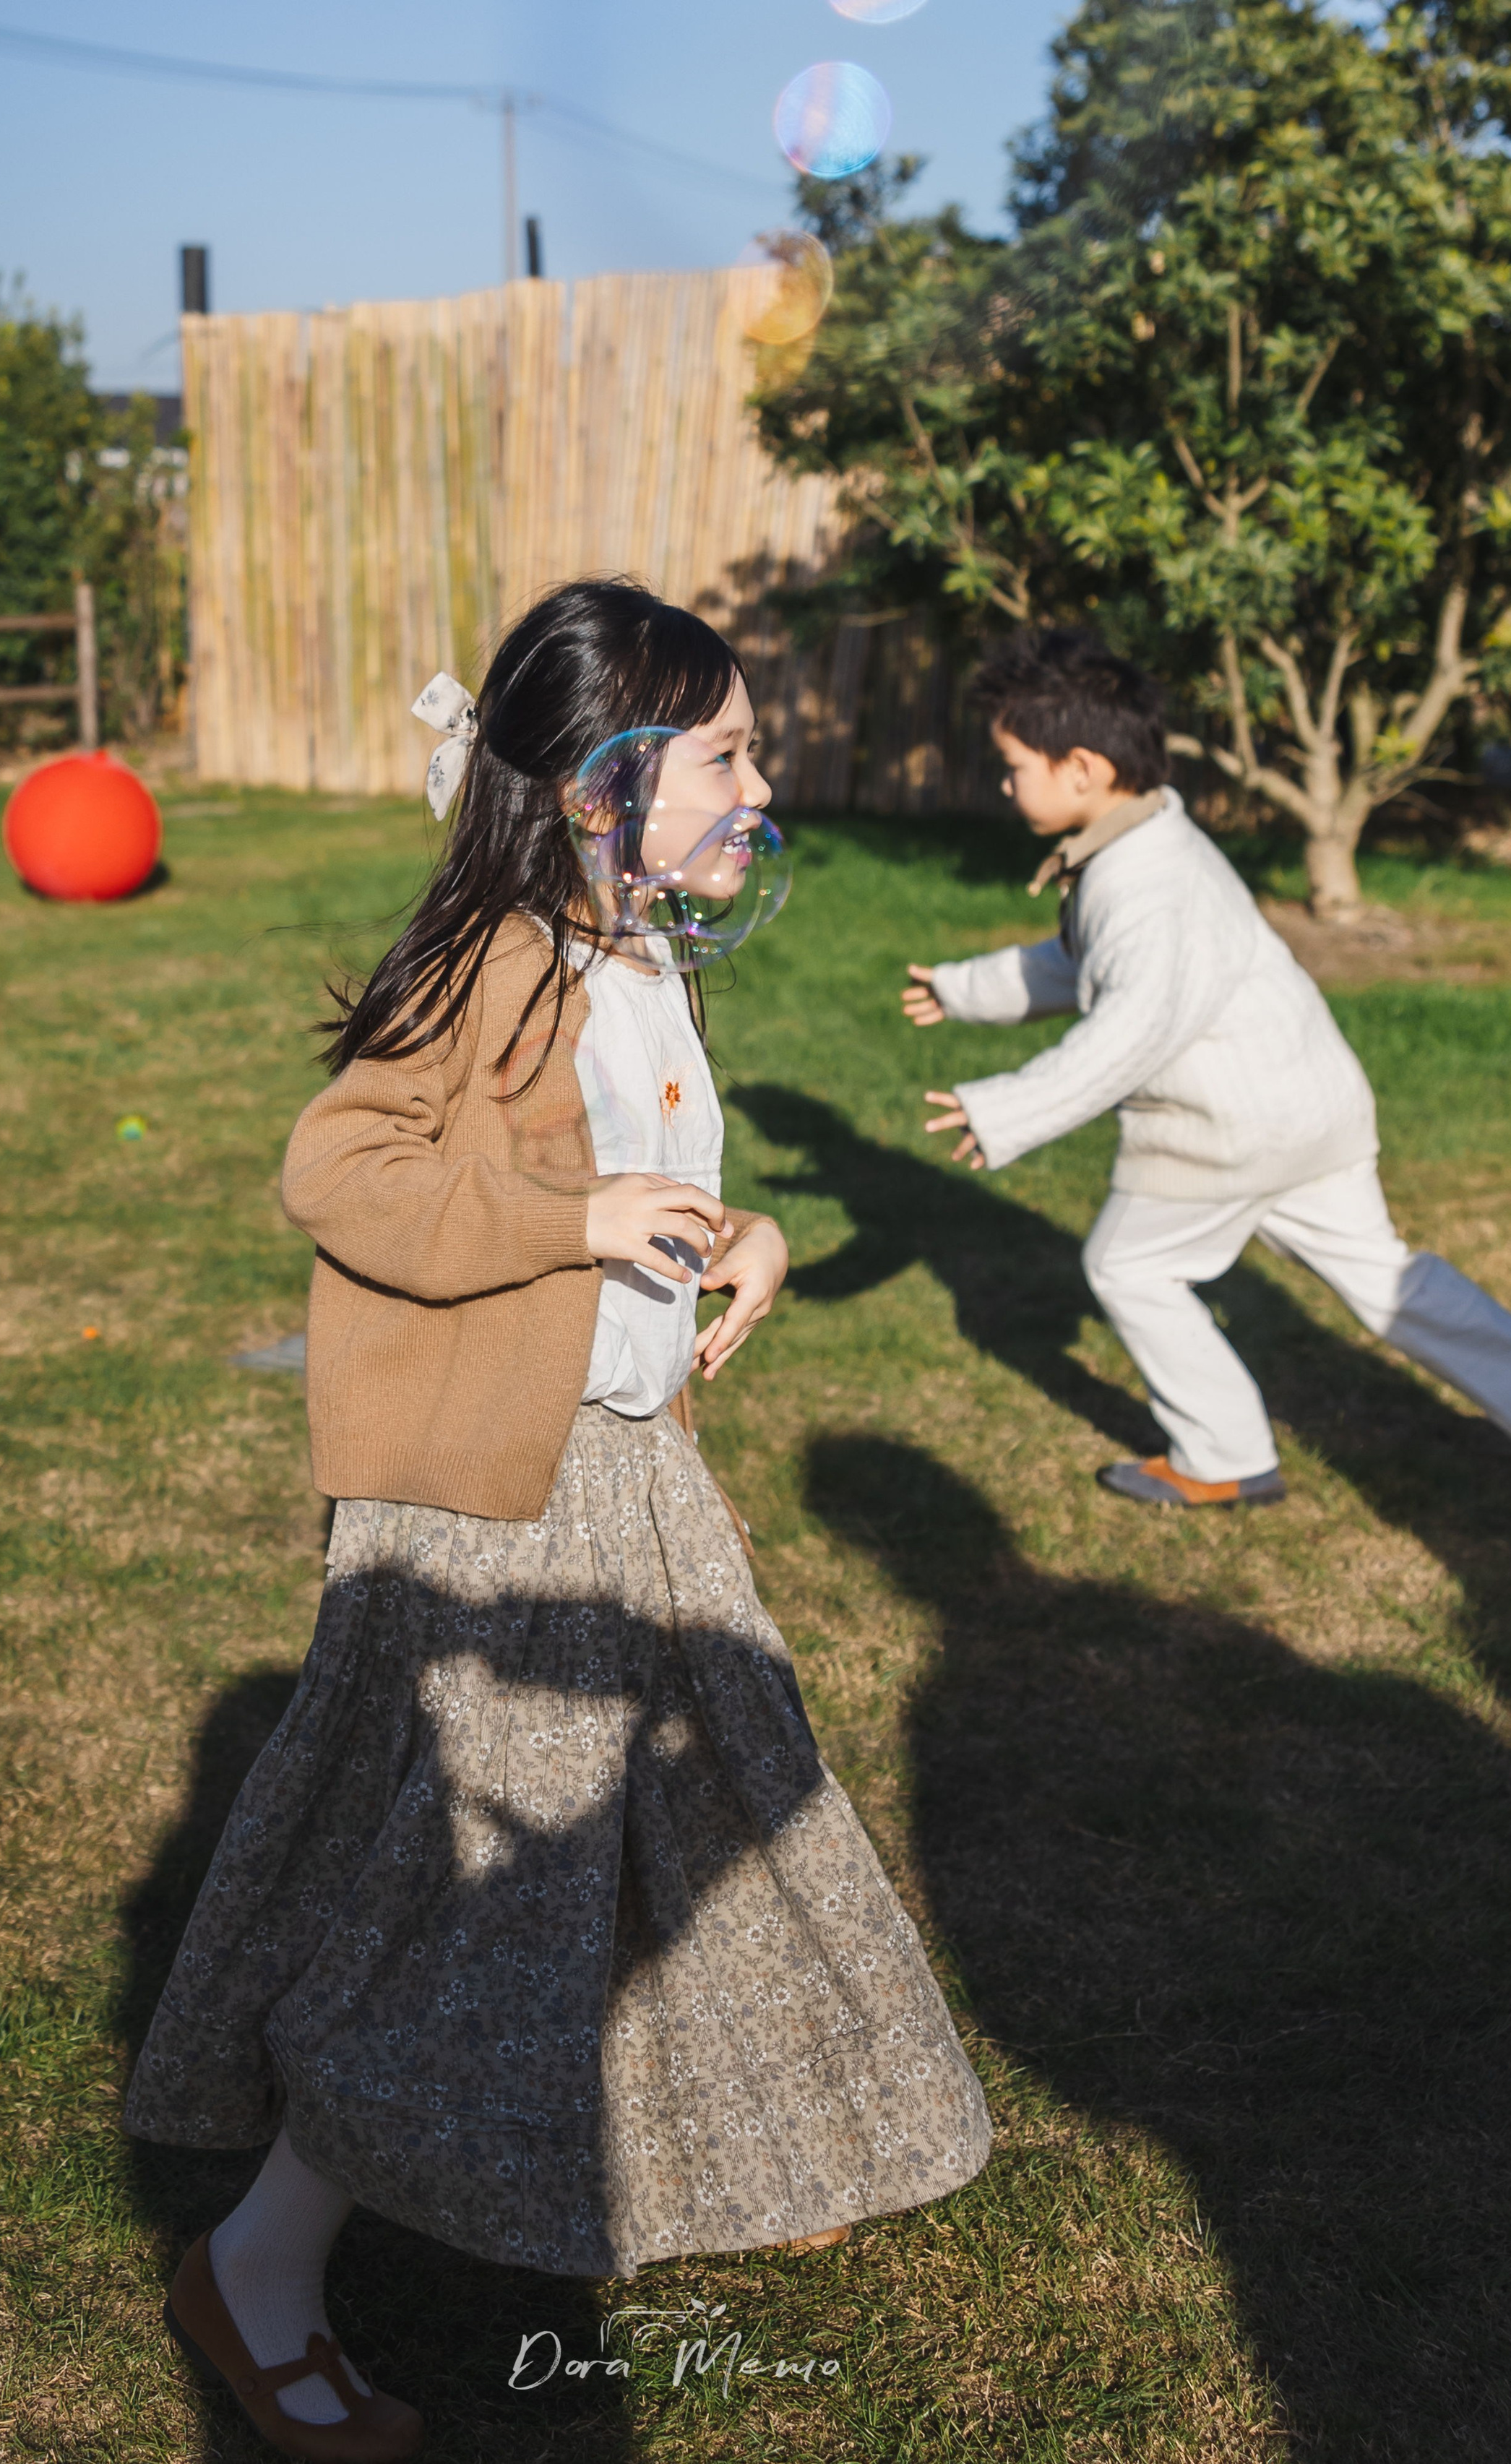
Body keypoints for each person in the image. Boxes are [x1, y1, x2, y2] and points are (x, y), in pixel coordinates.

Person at [127, 579, 991, 2463]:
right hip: (488, 1508)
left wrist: (731, 1235)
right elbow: (340, 1164)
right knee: (472, 1914)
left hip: (623, 1466)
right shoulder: (500, 960)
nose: (765, 782)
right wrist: (575, 1226)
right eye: (733, 754)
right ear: (605, 786)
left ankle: (750, 2123)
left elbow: (650, 1180)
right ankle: (257, 2265)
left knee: (720, 1786)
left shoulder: (640, 952)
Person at [905, 627, 1511, 1509]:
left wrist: (1004, 1108)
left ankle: (1222, 1450)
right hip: (1309, 1108)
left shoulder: (1145, 884)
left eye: (1013, 765)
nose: (1005, 784)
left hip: (1234, 1128)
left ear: (1080, 768)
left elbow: (1129, 1030)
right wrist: (965, 989)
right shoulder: (1145, 842)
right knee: (1387, 1278)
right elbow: (1084, 964)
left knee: (1128, 1264)